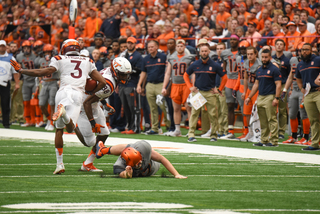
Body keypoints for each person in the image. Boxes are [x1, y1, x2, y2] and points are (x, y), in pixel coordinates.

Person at [10, 39, 107, 174]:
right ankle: (65, 115)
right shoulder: (88, 61)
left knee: (59, 130)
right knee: (70, 127)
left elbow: (42, 72)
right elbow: (102, 81)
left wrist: (21, 70)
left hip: (61, 92)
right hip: (77, 93)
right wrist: (91, 93)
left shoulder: (59, 58)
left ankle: (59, 164)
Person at [75, 57, 132, 172]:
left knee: (104, 133)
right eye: (122, 74)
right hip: (83, 105)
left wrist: (105, 104)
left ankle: (87, 164)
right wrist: (92, 123)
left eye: (126, 74)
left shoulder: (109, 72)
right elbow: (87, 102)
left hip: (92, 102)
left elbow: (97, 94)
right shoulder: (108, 83)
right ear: (115, 71)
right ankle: (71, 123)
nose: (125, 77)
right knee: (89, 142)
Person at [183, 39, 227, 142]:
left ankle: (213, 135)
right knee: (194, 113)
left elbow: (224, 77)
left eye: (206, 51)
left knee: (213, 114)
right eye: (202, 51)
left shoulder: (214, 65)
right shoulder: (195, 64)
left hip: (210, 93)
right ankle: (191, 134)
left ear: (209, 52)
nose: (204, 53)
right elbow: (185, 75)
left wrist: (219, 89)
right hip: (198, 92)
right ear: (199, 52)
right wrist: (190, 86)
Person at [245, 49, 282, 147]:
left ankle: (274, 141)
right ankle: (264, 139)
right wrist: (249, 96)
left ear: (270, 57)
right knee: (262, 120)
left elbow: (278, 85)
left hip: (270, 96)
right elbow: (256, 85)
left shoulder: (274, 69)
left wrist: (276, 98)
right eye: (263, 57)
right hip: (260, 96)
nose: (264, 59)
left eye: (266, 57)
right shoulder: (260, 69)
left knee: (272, 119)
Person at [94, 140, 187, 179]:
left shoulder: (143, 149)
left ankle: (104, 150)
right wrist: (127, 174)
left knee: (130, 146)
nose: (140, 162)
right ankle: (103, 150)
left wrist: (176, 174)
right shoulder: (121, 164)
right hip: (145, 171)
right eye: (137, 163)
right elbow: (121, 174)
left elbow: (162, 159)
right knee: (128, 148)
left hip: (153, 165)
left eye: (139, 159)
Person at [162, 39, 195, 137]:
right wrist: (164, 87)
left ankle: (191, 130)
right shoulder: (171, 58)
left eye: (182, 46)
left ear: (185, 47)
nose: (180, 48)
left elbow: (193, 73)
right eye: (178, 46)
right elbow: (168, 73)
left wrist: (193, 85)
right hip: (175, 85)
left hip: (186, 85)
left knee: (189, 108)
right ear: (176, 47)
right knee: (176, 108)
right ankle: (177, 130)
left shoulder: (189, 57)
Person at [136, 40, 170, 135]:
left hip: (160, 83)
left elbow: (167, 71)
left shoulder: (163, 57)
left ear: (156, 47)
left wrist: (166, 86)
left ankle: (169, 124)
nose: (150, 48)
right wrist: (139, 84)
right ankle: (154, 128)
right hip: (150, 84)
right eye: (149, 47)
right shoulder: (145, 59)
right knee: (152, 107)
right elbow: (143, 73)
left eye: (152, 47)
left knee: (163, 105)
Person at [281, 42, 311, 145]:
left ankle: (306, 137)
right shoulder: (293, 60)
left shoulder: (308, 62)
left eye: (302, 50)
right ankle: (293, 136)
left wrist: (305, 93)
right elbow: (290, 75)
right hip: (294, 90)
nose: (300, 53)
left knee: (304, 114)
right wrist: (285, 89)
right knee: (292, 114)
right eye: (299, 50)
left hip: (304, 90)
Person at [295, 43, 320, 151]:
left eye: (306, 50)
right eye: (302, 50)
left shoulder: (318, 59)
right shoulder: (300, 64)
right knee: (313, 120)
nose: (304, 52)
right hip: (308, 94)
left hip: (318, 92)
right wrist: (301, 89)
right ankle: (314, 143)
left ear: (311, 50)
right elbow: (298, 78)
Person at [118, 37, 143, 134]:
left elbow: (139, 70)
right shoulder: (123, 54)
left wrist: (128, 70)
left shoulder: (138, 56)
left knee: (133, 106)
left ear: (135, 44)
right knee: (125, 107)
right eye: (128, 43)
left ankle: (135, 127)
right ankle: (129, 126)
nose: (129, 45)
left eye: (131, 43)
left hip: (132, 83)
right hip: (123, 84)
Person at [220, 35, 240, 139]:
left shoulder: (241, 52)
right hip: (229, 81)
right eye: (231, 40)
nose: (232, 41)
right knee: (230, 106)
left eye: (234, 40)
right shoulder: (225, 53)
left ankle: (248, 130)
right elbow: (224, 69)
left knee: (243, 106)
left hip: (239, 80)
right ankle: (230, 130)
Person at [241, 46, 262, 142]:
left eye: (251, 54)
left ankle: (258, 133)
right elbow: (245, 78)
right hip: (249, 89)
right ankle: (250, 132)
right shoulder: (246, 63)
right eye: (248, 54)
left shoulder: (259, 64)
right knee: (246, 112)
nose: (249, 56)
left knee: (256, 112)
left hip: (257, 89)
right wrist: (245, 92)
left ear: (255, 54)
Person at [272, 39, 291, 139]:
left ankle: (281, 132)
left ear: (284, 47)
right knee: (272, 109)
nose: (279, 46)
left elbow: (290, 75)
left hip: (283, 85)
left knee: (282, 109)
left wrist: (289, 88)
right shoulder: (271, 59)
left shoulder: (287, 61)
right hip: (273, 86)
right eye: (277, 44)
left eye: (281, 44)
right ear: (274, 46)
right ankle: (273, 130)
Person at [16, 40, 37, 127]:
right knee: (26, 101)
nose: (26, 49)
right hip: (25, 81)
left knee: (34, 102)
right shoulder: (19, 57)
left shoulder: (35, 56)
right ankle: (27, 120)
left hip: (34, 80)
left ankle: (34, 119)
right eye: (25, 48)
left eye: (28, 47)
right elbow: (17, 70)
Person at [38, 44, 58, 131]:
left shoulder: (55, 60)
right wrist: (40, 80)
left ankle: (52, 123)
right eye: (46, 52)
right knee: (41, 104)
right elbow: (39, 70)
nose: (47, 54)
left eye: (49, 52)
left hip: (53, 82)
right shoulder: (41, 60)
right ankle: (49, 119)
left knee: (52, 103)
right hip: (45, 83)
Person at [0, 40, 20, 128]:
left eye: (3, 46)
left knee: (5, 103)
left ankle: (6, 123)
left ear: (5, 47)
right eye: (0, 46)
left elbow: (15, 71)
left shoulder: (11, 58)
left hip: (5, 83)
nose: (1, 48)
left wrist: (17, 83)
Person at [234, 40, 250, 139]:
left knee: (249, 111)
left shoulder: (253, 60)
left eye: (245, 49)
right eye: (242, 49)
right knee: (244, 111)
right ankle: (246, 130)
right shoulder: (239, 59)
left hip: (249, 87)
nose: (243, 52)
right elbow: (240, 75)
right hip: (241, 86)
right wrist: (235, 87)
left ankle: (251, 131)